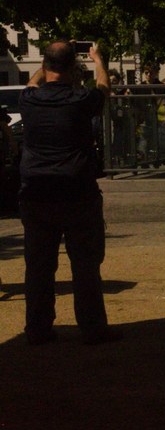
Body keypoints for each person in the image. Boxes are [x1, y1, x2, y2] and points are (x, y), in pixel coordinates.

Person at [18, 40, 119, 344]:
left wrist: (46, 66)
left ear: (45, 65)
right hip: (77, 191)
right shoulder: (80, 99)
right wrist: (97, 59)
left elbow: (33, 82)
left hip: (37, 191)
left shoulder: (29, 99)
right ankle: (92, 326)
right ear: (73, 67)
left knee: (38, 267)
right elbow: (103, 88)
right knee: (85, 264)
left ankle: (38, 328)